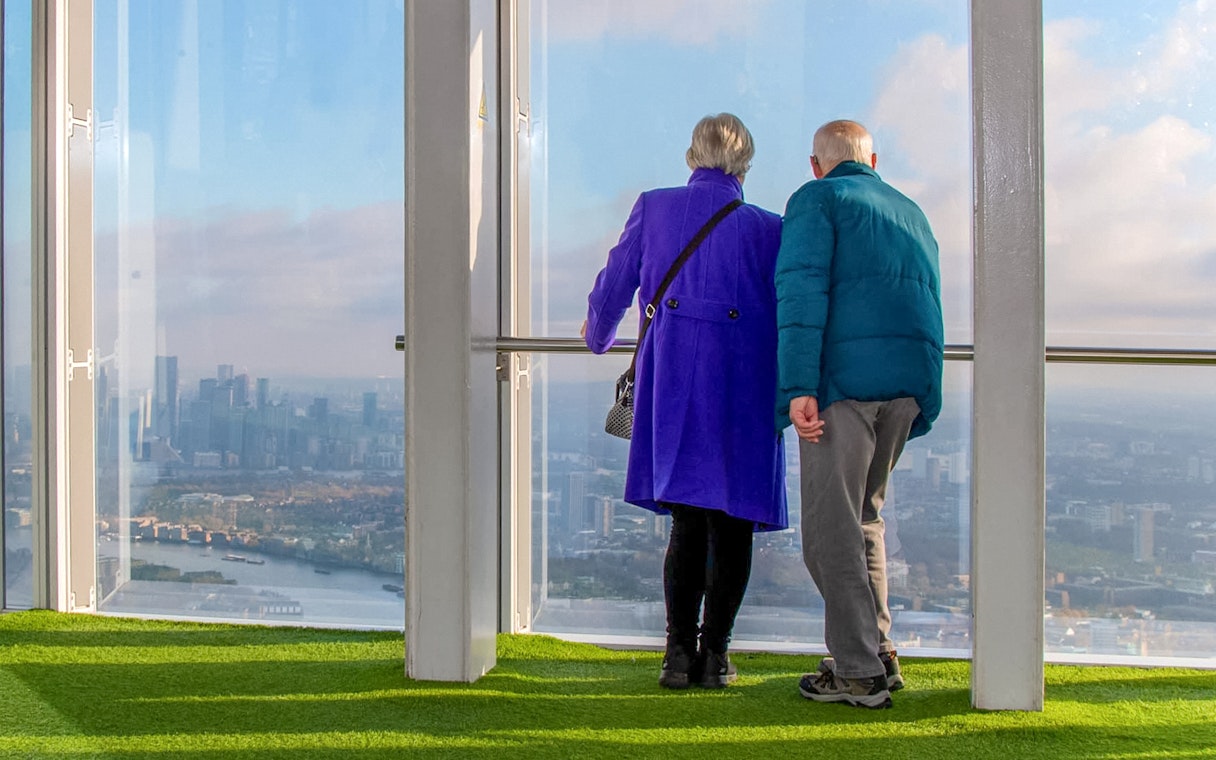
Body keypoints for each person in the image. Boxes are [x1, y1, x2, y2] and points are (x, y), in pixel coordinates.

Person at [583, 113, 787, 689]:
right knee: (734, 521)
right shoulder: (769, 228)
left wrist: (598, 334)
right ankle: (717, 656)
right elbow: (792, 305)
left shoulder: (654, 206)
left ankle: (677, 654)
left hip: (674, 379)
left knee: (688, 522)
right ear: (745, 164)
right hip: (747, 384)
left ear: (691, 156)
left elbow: (617, 278)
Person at [775, 119, 943, 709]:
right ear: (874, 158)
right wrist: (927, 394)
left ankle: (857, 671)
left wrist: (797, 385)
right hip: (905, 387)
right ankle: (879, 652)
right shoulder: (910, 211)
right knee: (866, 520)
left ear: (816, 164)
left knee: (828, 532)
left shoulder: (817, 198)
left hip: (842, 388)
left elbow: (800, 292)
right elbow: (929, 305)